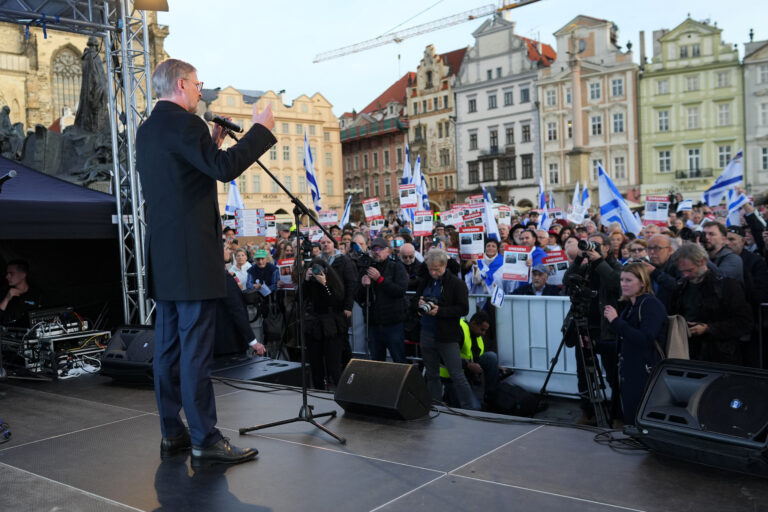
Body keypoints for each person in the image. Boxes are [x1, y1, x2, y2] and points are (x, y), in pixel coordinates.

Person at [136, 58, 276, 465]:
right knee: (196, 352)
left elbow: (187, 175)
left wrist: (212, 141)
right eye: (198, 85)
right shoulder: (186, 124)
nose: (202, 91)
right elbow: (226, 170)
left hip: (164, 259)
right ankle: (206, 438)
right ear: (181, 85)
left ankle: (173, 433)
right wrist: (260, 130)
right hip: (193, 259)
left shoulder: (149, 130)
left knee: (167, 350)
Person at [603, 263, 667, 427]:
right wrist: (597, 345)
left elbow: (644, 339)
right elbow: (626, 342)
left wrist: (616, 321)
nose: (623, 284)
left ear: (642, 282)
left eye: (629, 280)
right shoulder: (631, 306)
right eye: (622, 280)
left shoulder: (650, 304)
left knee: (639, 418)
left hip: (644, 372)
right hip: (631, 371)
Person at [669, 243, 752, 364]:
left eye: (690, 270)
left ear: (702, 262)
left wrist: (708, 328)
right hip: (688, 351)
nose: (686, 275)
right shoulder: (681, 286)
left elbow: (744, 322)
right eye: (682, 271)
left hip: (719, 355)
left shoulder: (727, 286)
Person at [416, 249, 477, 409]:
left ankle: (470, 409)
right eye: (430, 269)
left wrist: (440, 311)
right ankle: (435, 406)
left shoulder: (456, 283)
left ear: (444, 266)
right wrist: (420, 303)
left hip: (447, 335)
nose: (433, 272)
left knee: (457, 374)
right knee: (432, 374)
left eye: (437, 269)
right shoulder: (426, 280)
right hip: (427, 332)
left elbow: (463, 309)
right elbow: (416, 298)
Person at [355, 237, 408, 363]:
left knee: (399, 359)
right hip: (373, 324)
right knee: (377, 362)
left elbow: (400, 291)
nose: (376, 252)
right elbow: (357, 297)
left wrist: (380, 280)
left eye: (379, 249)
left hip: (393, 323)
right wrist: (363, 287)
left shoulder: (396, 267)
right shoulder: (366, 268)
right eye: (373, 249)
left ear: (387, 251)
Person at [298, 258, 347, 390]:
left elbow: (336, 301)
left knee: (334, 364)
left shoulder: (332, 282)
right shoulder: (309, 283)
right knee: (316, 364)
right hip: (314, 327)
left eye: (318, 269)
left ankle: (340, 390)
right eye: (313, 269)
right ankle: (319, 390)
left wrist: (324, 284)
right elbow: (300, 299)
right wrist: (306, 281)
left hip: (331, 326)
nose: (316, 272)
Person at [440, 311, 501, 408]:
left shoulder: (476, 335)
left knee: (491, 357)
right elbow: (446, 357)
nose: (483, 333)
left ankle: (490, 398)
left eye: (485, 331)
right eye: (482, 330)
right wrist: (468, 365)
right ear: (473, 323)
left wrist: (496, 367)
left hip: (466, 375)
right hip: (452, 378)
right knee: (474, 408)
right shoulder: (458, 330)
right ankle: (448, 395)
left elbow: (475, 356)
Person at [216, 241, 266, 357]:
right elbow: (236, 310)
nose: (230, 251)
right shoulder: (224, 278)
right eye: (227, 248)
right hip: (230, 344)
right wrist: (253, 341)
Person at [0, 260, 42, 326]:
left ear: (23, 275)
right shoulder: (4, 292)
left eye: (11, 273)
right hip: (7, 335)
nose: (7, 276)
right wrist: (6, 299)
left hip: (29, 334)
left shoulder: (36, 294)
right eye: (7, 273)